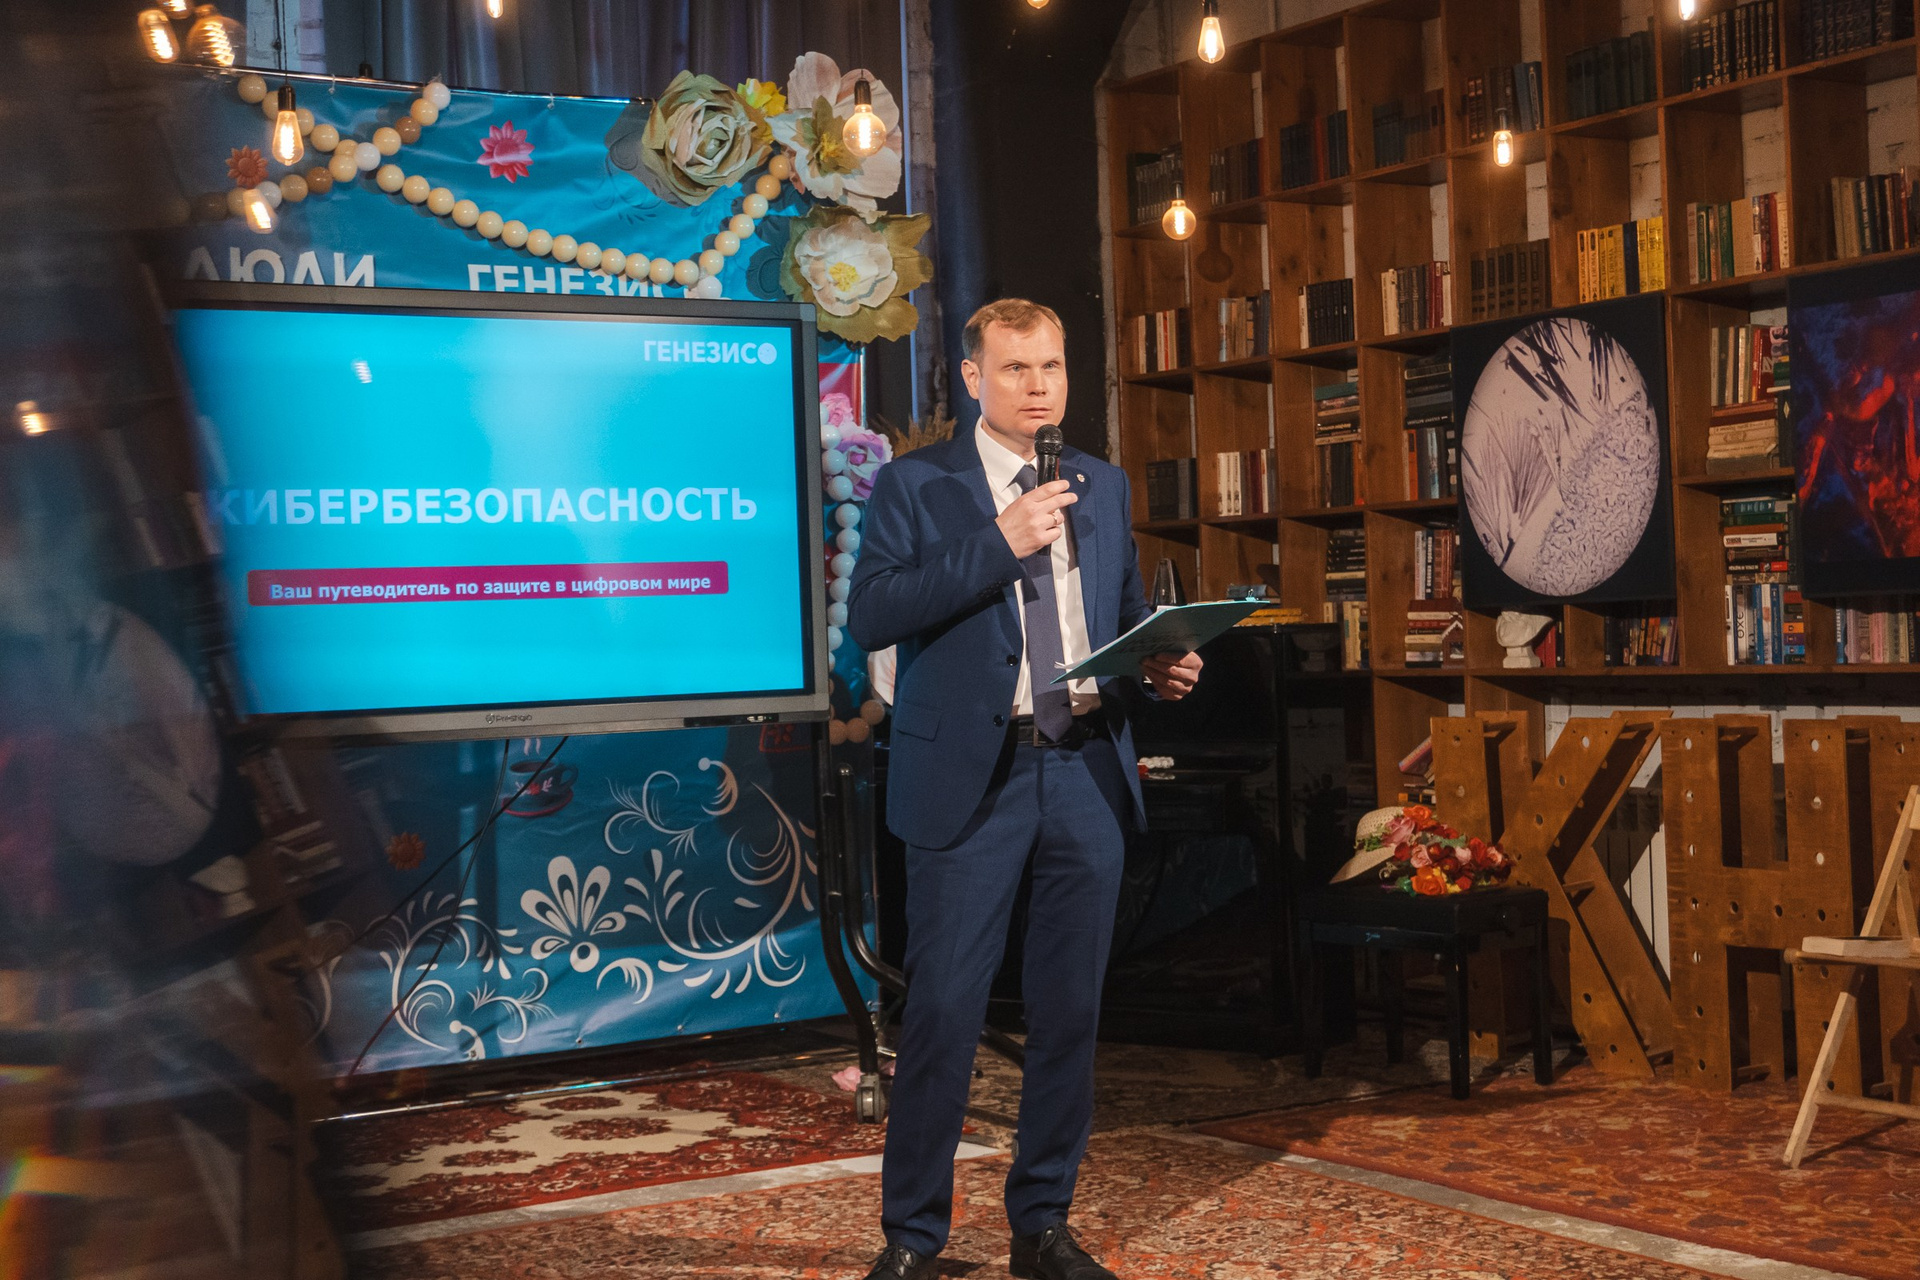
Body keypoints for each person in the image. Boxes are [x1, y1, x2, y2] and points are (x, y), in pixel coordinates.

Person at [848, 298, 1203, 1280]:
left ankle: (1041, 1222)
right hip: (975, 775)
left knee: (1069, 1012)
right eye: (1015, 368)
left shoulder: (1102, 481)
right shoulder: (916, 484)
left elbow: (1118, 615)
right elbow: (873, 613)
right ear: (973, 378)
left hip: (1083, 767)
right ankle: (913, 1237)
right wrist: (997, 542)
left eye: (1052, 366)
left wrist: (1159, 666)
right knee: (945, 1011)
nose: (1039, 386)